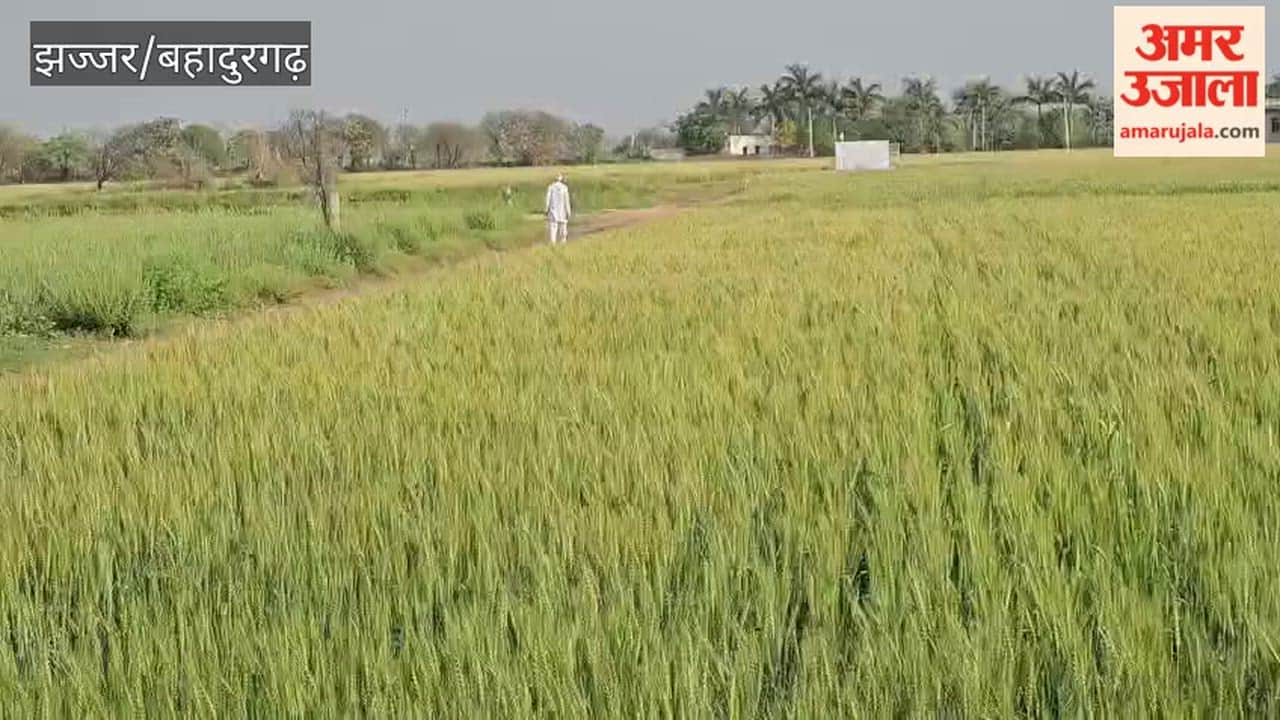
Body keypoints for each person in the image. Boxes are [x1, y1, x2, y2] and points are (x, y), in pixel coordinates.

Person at [545, 174, 571, 245]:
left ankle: (553, 243)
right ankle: (563, 243)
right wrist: (568, 211)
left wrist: (546, 210)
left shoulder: (551, 187)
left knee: (553, 229)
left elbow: (547, 199)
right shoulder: (564, 188)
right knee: (563, 229)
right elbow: (567, 201)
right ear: (561, 179)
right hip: (563, 211)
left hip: (553, 211)